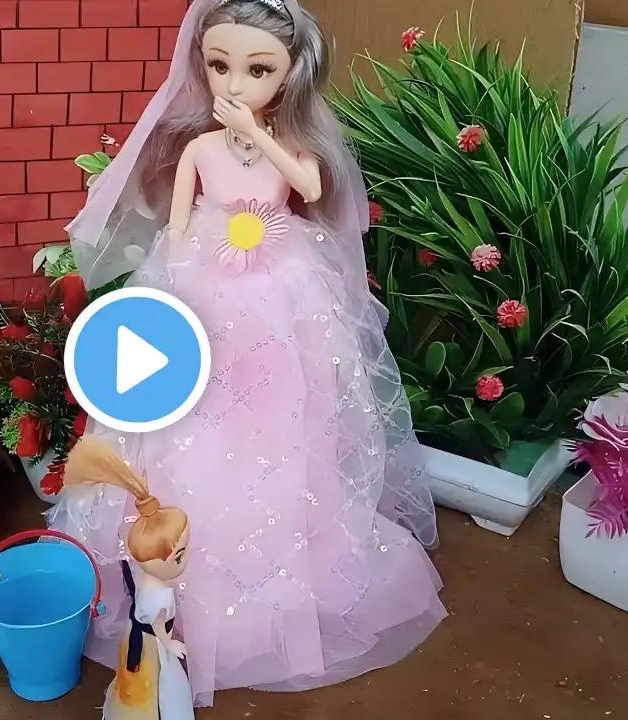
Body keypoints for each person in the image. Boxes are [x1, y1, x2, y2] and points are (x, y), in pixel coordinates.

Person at [49, 0, 447, 707]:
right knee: (190, 418)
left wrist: (258, 134)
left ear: (290, 75)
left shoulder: (284, 143)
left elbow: (311, 187)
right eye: (219, 66)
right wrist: (167, 289)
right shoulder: (200, 150)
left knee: (282, 410)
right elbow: (177, 229)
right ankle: (177, 569)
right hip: (202, 280)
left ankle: (284, 565)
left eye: (258, 69)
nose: (234, 83)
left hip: (280, 287)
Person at [63, 437, 195, 720]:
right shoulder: (158, 593)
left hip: (140, 636)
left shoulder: (149, 581)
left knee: (145, 681)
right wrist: (169, 644)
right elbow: (158, 624)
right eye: (179, 557)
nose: (185, 562)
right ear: (152, 563)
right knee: (160, 684)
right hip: (153, 644)